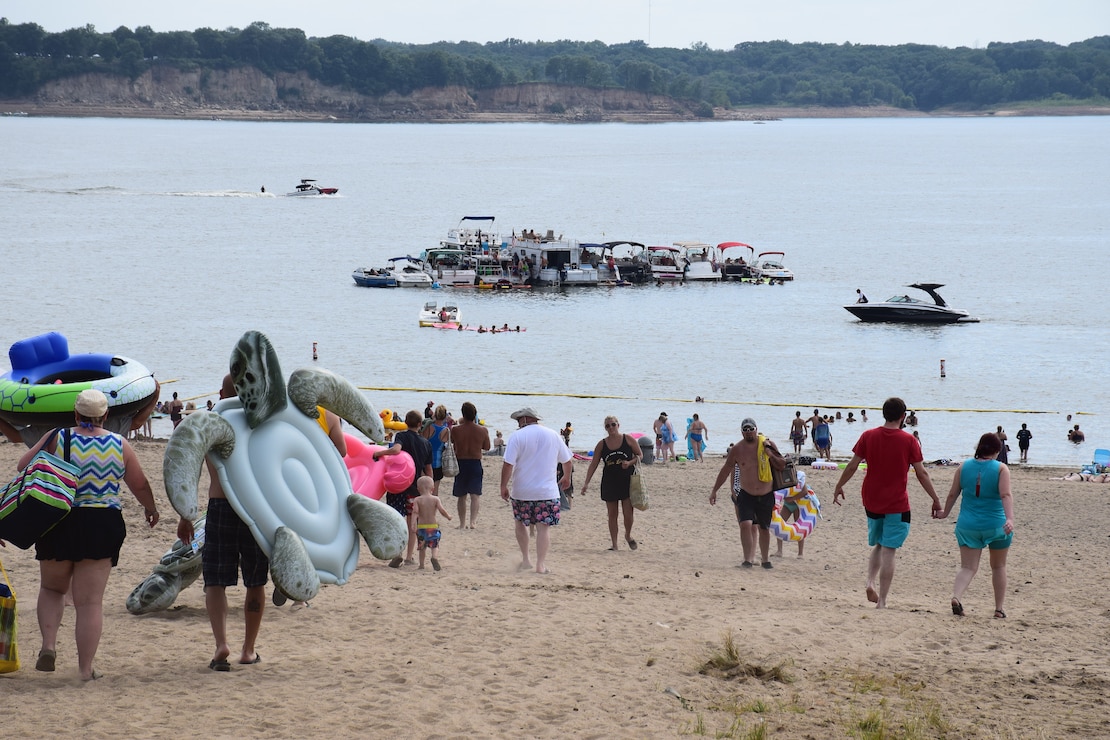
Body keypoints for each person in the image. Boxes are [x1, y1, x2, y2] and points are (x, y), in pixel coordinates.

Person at [17, 389, 159, 681]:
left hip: (59, 518)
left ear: (75, 413)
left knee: (52, 589)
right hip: (101, 522)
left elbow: (23, 466)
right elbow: (139, 483)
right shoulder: (118, 443)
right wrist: (150, 508)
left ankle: (48, 645)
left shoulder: (58, 437)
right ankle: (84, 669)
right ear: (106, 415)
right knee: (89, 602)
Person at [175, 375, 268, 671]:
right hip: (254, 508)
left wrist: (185, 515)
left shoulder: (209, 425)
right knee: (255, 581)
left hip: (220, 505)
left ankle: (221, 645)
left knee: (215, 580)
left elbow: (190, 473)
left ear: (221, 393)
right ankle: (248, 649)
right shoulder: (260, 425)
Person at [832, 397, 943, 609]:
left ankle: (869, 581)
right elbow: (922, 473)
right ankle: (882, 601)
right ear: (903, 417)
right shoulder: (909, 441)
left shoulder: (868, 435)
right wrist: (935, 499)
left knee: (879, 543)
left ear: (884, 414)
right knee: (889, 548)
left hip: (871, 499)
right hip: (896, 502)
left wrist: (839, 485)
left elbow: (853, 465)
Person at [939, 433, 1015, 619]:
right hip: (996, 525)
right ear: (997, 451)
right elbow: (1005, 495)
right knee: (998, 567)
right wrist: (1010, 518)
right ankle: (998, 609)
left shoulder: (964, 467)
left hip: (968, 525)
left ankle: (956, 597)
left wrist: (945, 513)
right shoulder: (1001, 469)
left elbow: (952, 494)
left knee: (968, 567)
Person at [500, 407, 572, 574]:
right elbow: (567, 460)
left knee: (520, 523)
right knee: (543, 528)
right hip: (547, 492)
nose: (518, 423)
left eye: (518, 420)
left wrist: (503, 485)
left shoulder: (517, 436)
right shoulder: (553, 434)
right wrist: (566, 477)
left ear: (525, 419)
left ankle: (526, 559)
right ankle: (540, 565)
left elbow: (508, 464)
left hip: (522, 490)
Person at [709, 418, 786, 569]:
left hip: (766, 494)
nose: (749, 432)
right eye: (746, 430)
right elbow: (726, 470)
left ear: (756, 429)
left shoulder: (767, 444)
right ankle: (747, 560)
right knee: (745, 524)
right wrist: (714, 490)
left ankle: (765, 560)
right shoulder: (737, 449)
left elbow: (782, 464)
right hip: (746, 494)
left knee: (763, 528)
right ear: (742, 432)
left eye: (751, 429)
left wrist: (769, 453)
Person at [374, 410, 433, 567]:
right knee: (412, 521)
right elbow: (428, 469)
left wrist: (379, 452)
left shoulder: (401, 436)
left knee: (396, 519)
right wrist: (430, 489)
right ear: (420, 424)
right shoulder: (426, 443)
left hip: (398, 485)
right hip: (416, 488)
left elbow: (396, 450)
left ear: (406, 423)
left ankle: (398, 553)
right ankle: (409, 557)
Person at [579, 416, 643, 551]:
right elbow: (594, 464)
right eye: (608, 426)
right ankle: (614, 544)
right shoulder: (602, 444)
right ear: (605, 428)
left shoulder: (628, 439)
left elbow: (640, 455)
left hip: (627, 480)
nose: (611, 428)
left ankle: (628, 535)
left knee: (628, 513)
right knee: (612, 514)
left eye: (613, 424)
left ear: (618, 425)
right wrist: (586, 483)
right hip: (609, 481)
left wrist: (630, 462)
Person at [451, 401, 490, 529]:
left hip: (461, 462)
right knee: (475, 495)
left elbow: (453, 442)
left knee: (461, 496)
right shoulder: (482, 430)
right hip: (475, 462)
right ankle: (472, 522)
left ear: (463, 414)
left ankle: (462, 523)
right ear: (475, 415)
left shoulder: (456, 430)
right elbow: (487, 447)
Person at [412, 475, 452, 571]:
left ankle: (421, 565)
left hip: (421, 527)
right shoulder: (435, 499)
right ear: (433, 489)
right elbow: (442, 510)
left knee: (422, 547)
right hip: (433, 526)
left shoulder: (417, 500)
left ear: (418, 489)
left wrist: (413, 524)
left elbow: (415, 512)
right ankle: (434, 557)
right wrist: (448, 516)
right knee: (435, 545)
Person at [775, 470, 814, 558]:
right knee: (779, 523)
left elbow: (804, 491)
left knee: (800, 526)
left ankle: (800, 553)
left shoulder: (798, 478)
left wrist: (793, 498)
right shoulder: (781, 478)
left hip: (798, 505)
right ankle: (779, 551)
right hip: (787, 505)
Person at [427, 405, 450, 495]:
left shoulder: (428, 428)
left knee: (424, 488)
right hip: (437, 462)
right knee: (435, 490)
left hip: (426, 460)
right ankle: (433, 508)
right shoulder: (446, 431)